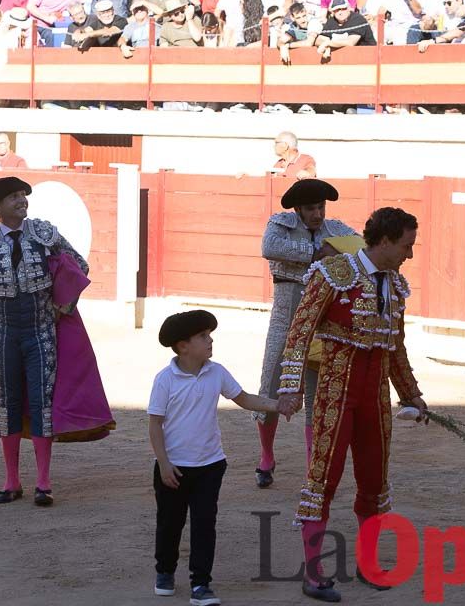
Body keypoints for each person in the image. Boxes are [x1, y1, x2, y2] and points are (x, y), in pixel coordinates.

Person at [277, 207, 428, 603]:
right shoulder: (333, 273)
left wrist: (411, 393)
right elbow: (299, 333)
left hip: (375, 396)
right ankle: (313, 572)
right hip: (334, 392)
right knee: (323, 479)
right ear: (383, 241)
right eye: (405, 246)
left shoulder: (395, 286)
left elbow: (395, 347)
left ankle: (367, 563)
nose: (409, 255)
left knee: (374, 480)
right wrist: (291, 388)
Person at [0, 177, 89, 507]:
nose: (21, 201)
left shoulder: (44, 234)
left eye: (23, 196)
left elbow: (79, 265)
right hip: (3, 334)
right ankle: (11, 481)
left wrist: (64, 305)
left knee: (42, 401)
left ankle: (43, 481)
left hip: (41, 330)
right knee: (8, 403)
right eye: (13, 197)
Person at [149, 309, 290, 605]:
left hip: (210, 465)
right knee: (170, 523)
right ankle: (165, 570)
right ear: (183, 346)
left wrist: (277, 405)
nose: (210, 340)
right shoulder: (165, 380)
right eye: (203, 336)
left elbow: (244, 398)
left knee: (204, 523)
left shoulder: (217, 372)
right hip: (173, 467)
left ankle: (201, 584)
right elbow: (154, 425)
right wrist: (163, 463)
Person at [254, 179, 357, 489]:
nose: (318, 214)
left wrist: (336, 252)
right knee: (271, 386)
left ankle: (314, 466)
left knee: (316, 394)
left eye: (322, 207)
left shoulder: (336, 228)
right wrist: (316, 251)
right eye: (312, 208)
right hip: (286, 321)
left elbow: (360, 248)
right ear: (298, 209)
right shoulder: (280, 224)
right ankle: (266, 456)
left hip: (320, 325)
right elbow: (268, 247)